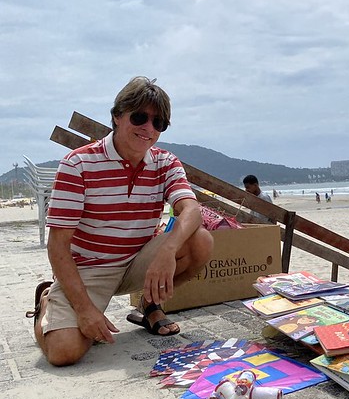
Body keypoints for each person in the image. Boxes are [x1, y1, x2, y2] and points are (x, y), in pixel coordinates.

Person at [30, 77, 214, 366]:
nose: (148, 128)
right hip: (89, 269)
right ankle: (45, 305)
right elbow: (57, 246)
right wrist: (84, 310)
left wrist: (167, 251)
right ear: (117, 116)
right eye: (139, 117)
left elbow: (191, 209)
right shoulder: (78, 165)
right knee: (64, 353)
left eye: (159, 123)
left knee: (200, 241)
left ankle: (149, 305)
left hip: (139, 260)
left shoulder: (165, 161)